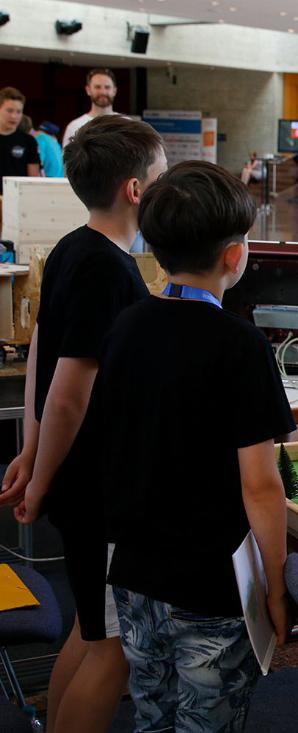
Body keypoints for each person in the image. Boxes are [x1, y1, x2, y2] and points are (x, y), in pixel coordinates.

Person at [99, 160, 294, 731]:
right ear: (235, 256)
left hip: (134, 573)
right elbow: (261, 485)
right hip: (209, 585)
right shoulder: (240, 345)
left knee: (152, 715)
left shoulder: (126, 325)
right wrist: (276, 587)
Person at [0, 114, 166, 732]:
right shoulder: (107, 269)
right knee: (113, 649)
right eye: (162, 175)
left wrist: (31, 448)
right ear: (136, 189)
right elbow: (69, 389)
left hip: (75, 472)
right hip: (95, 487)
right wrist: (40, 478)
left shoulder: (74, 247)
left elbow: (41, 353)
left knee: (91, 629)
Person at [63, 68, 118, 147]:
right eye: (97, 87)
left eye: (107, 87)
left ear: (114, 91)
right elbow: (67, 155)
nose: (103, 92)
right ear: (88, 90)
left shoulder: (127, 123)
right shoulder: (75, 126)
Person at [0, 87, 41, 192]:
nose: (14, 116)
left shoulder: (28, 141)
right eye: (9, 111)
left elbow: (33, 180)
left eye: (19, 112)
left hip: (17, 197)